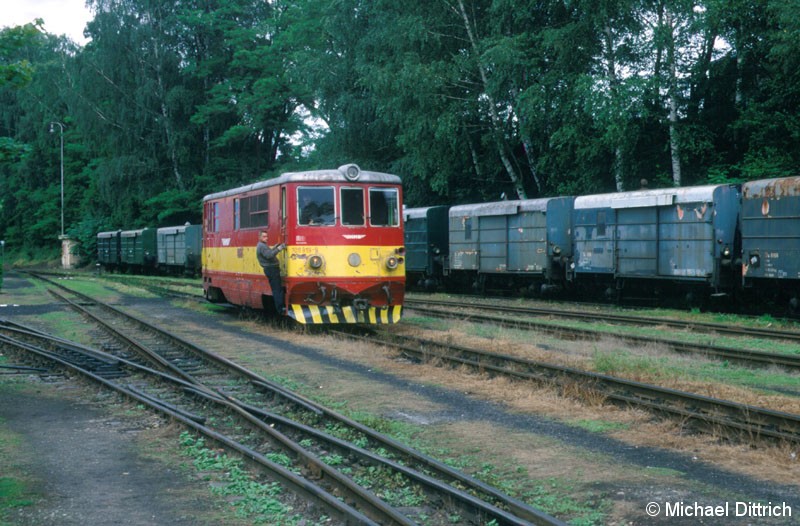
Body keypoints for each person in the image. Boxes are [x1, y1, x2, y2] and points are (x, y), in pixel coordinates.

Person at [256, 231, 286, 313]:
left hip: (271, 269)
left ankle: (280, 307)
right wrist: (279, 249)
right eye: (264, 236)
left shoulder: (262, 245)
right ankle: (280, 309)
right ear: (259, 237)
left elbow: (269, 253)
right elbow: (269, 255)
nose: (266, 238)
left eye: (267, 236)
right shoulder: (262, 246)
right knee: (277, 289)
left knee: (277, 289)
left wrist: (275, 247)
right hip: (271, 270)